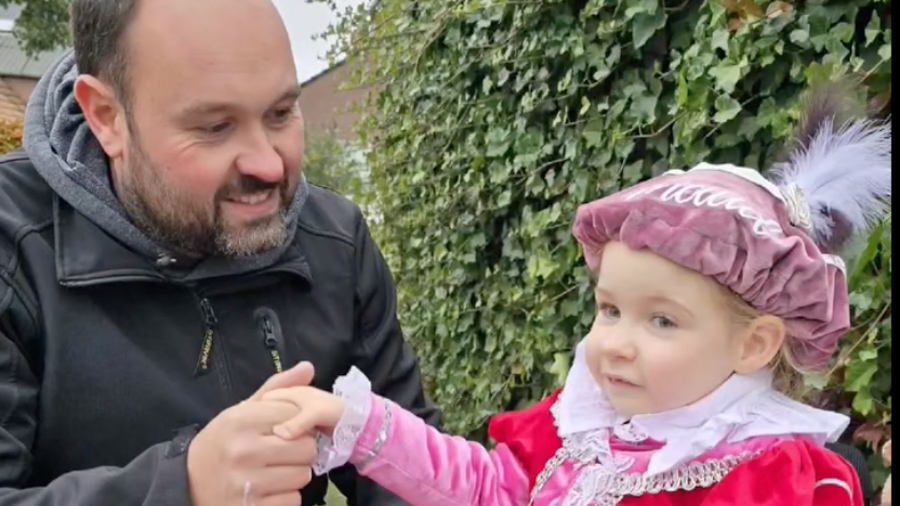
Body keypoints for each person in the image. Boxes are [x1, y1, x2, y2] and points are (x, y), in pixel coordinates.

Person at [260, 83, 892, 506]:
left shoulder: (769, 479)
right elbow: (490, 487)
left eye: (662, 322)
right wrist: (362, 423)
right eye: (609, 310)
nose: (613, 343)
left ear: (754, 344)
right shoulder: (583, 424)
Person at [0, 0, 439, 504]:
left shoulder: (335, 243)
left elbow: (411, 476)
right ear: (107, 118)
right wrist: (180, 487)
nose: (268, 166)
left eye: (280, 114)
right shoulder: (14, 248)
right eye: (214, 127)